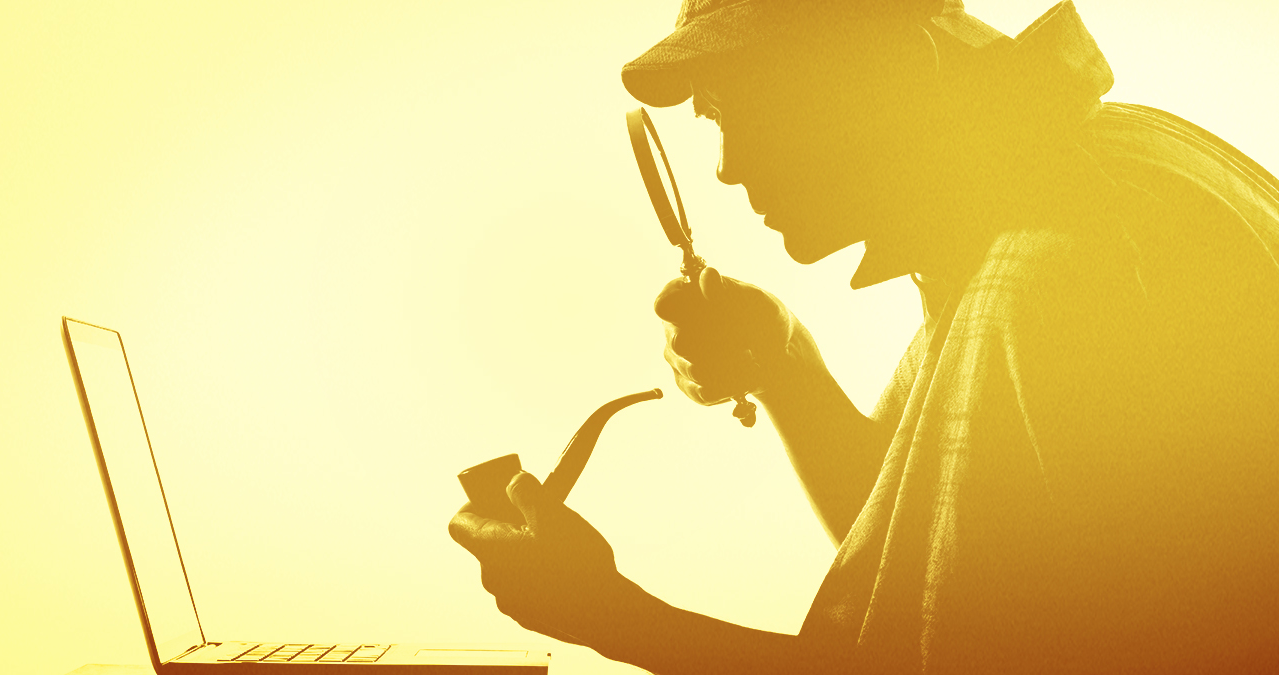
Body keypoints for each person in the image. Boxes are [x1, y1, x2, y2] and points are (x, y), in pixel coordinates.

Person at [449, 0, 1279, 672]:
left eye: (749, 107)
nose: (728, 166)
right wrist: (786, 363)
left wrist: (611, 616)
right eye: (712, 118)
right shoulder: (1080, 170)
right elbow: (931, 560)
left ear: (892, 71)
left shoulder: (1057, 268)